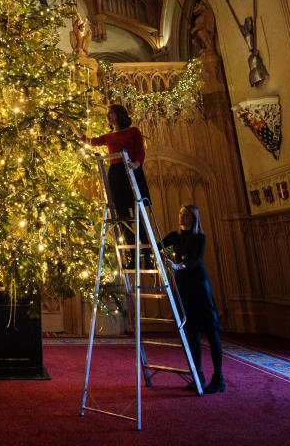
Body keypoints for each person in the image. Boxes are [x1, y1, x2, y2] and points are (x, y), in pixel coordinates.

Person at [69, 104, 150, 267]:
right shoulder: (108, 136)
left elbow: (140, 151)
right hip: (116, 174)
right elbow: (90, 141)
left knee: (138, 214)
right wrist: (71, 124)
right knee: (122, 216)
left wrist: (136, 163)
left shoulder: (133, 131)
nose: (108, 116)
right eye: (108, 114)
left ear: (119, 114)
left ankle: (147, 254)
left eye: (110, 113)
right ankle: (133, 257)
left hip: (131, 172)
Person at [161, 204, 225, 394]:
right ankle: (198, 376)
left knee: (211, 333)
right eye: (181, 214)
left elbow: (197, 260)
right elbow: (157, 246)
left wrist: (179, 266)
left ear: (194, 218)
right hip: (183, 288)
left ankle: (218, 378)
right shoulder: (175, 237)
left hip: (198, 287)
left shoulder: (199, 238)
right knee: (192, 332)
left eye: (186, 215)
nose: (182, 218)